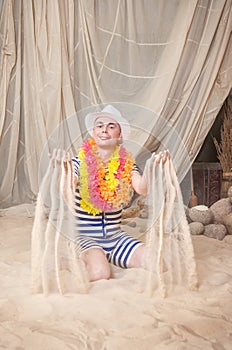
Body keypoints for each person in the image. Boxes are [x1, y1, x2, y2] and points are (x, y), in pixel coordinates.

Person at [70, 105, 169, 281]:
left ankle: (106, 256)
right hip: (85, 237)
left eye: (111, 126)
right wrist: (64, 172)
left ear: (120, 136)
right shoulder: (79, 161)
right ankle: (78, 260)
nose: (104, 130)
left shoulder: (127, 165)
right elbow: (69, 183)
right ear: (93, 133)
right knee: (100, 273)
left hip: (116, 238)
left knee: (158, 264)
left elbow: (142, 188)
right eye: (99, 125)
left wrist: (152, 166)